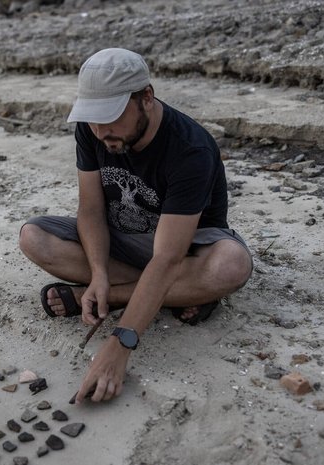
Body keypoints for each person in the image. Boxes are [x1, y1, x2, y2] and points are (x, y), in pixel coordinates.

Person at [18, 48, 253, 404]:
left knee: (231, 266)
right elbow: (92, 210)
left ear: (146, 96)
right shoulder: (92, 130)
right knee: (34, 237)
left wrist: (119, 345)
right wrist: (98, 272)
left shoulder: (190, 149)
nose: (101, 131)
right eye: (94, 120)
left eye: (111, 118)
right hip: (124, 244)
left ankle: (121, 295)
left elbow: (168, 258)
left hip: (186, 251)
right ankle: (176, 295)